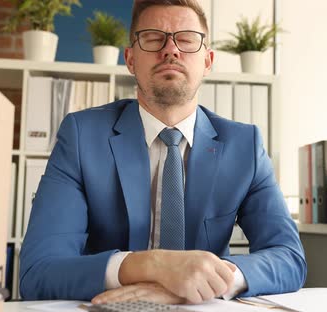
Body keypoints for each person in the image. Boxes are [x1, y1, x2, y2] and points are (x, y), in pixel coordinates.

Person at [19, 0, 306, 305]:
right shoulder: (81, 136)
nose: (171, 50)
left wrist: (204, 282)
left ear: (208, 61)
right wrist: (152, 265)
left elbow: (289, 258)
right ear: (130, 59)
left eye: (186, 39)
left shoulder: (244, 145)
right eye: (153, 38)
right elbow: (39, 271)